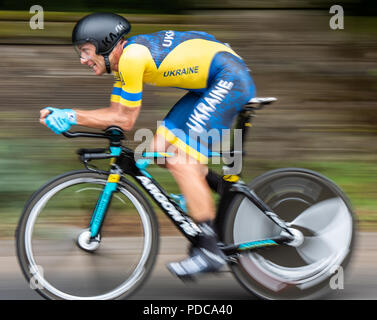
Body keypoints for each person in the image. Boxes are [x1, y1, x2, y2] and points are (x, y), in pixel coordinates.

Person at [39, 12, 256, 280]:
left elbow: (124, 120)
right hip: (212, 82)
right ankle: (224, 193)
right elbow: (115, 114)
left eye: (86, 51)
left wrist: (71, 115)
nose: (82, 59)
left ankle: (210, 250)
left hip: (228, 78)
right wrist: (74, 117)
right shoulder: (123, 65)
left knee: (179, 160)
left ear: (106, 44)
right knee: (156, 152)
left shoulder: (131, 59)